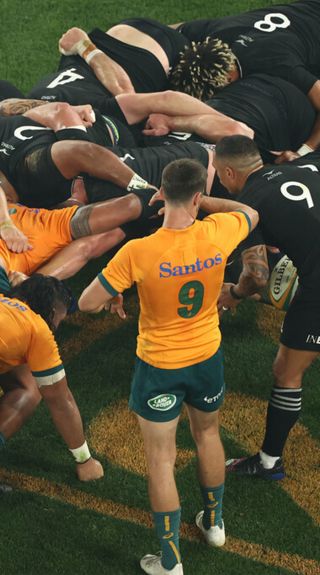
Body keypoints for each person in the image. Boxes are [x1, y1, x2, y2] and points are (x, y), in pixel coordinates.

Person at [78, 158, 258, 574]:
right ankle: (214, 525)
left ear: (160, 192)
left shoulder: (139, 251)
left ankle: (171, 562)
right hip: (206, 357)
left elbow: (87, 302)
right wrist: (205, 202)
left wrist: (115, 293)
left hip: (158, 365)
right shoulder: (219, 231)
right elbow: (251, 213)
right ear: (197, 196)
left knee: (160, 461)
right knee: (208, 435)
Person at [214, 135, 320, 480]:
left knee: (286, 372)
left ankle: (269, 462)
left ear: (229, 172)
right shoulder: (300, 166)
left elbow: (257, 275)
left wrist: (235, 294)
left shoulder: (248, 205)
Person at [169, 1, 320, 156]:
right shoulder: (216, 32)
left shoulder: (277, 62)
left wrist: (305, 151)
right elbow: (170, 29)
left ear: (228, 79)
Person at [0, 272, 103, 483]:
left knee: (24, 387)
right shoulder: (38, 330)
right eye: (60, 320)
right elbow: (61, 401)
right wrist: (85, 461)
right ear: (53, 311)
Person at [0, 101, 155, 208]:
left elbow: (82, 152)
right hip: (93, 138)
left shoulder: (32, 170)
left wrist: (142, 187)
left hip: (113, 138)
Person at [143, 73, 316, 165]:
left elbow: (237, 132)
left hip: (284, 106)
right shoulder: (149, 143)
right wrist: (171, 122)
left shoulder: (150, 143)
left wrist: (303, 152)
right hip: (249, 97)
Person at [28, 19, 190, 104]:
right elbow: (126, 94)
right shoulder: (91, 115)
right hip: (152, 58)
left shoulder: (26, 107)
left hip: (118, 39)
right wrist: (84, 46)